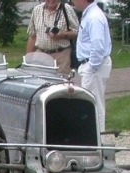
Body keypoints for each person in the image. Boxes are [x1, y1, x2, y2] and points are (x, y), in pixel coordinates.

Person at [72, 0, 112, 132]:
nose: (72, 1)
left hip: (94, 66)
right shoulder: (89, 14)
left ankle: (98, 140)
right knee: (91, 103)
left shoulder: (94, 17)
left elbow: (98, 45)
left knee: (94, 104)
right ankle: (93, 138)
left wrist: (92, 66)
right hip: (90, 65)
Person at [26, 0, 78, 75]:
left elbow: (77, 32)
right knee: (39, 83)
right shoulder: (37, 10)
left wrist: (62, 35)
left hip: (61, 56)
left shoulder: (67, 9)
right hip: (41, 55)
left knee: (60, 84)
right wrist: (28, 59)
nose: (51, 0)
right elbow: (33, 36)